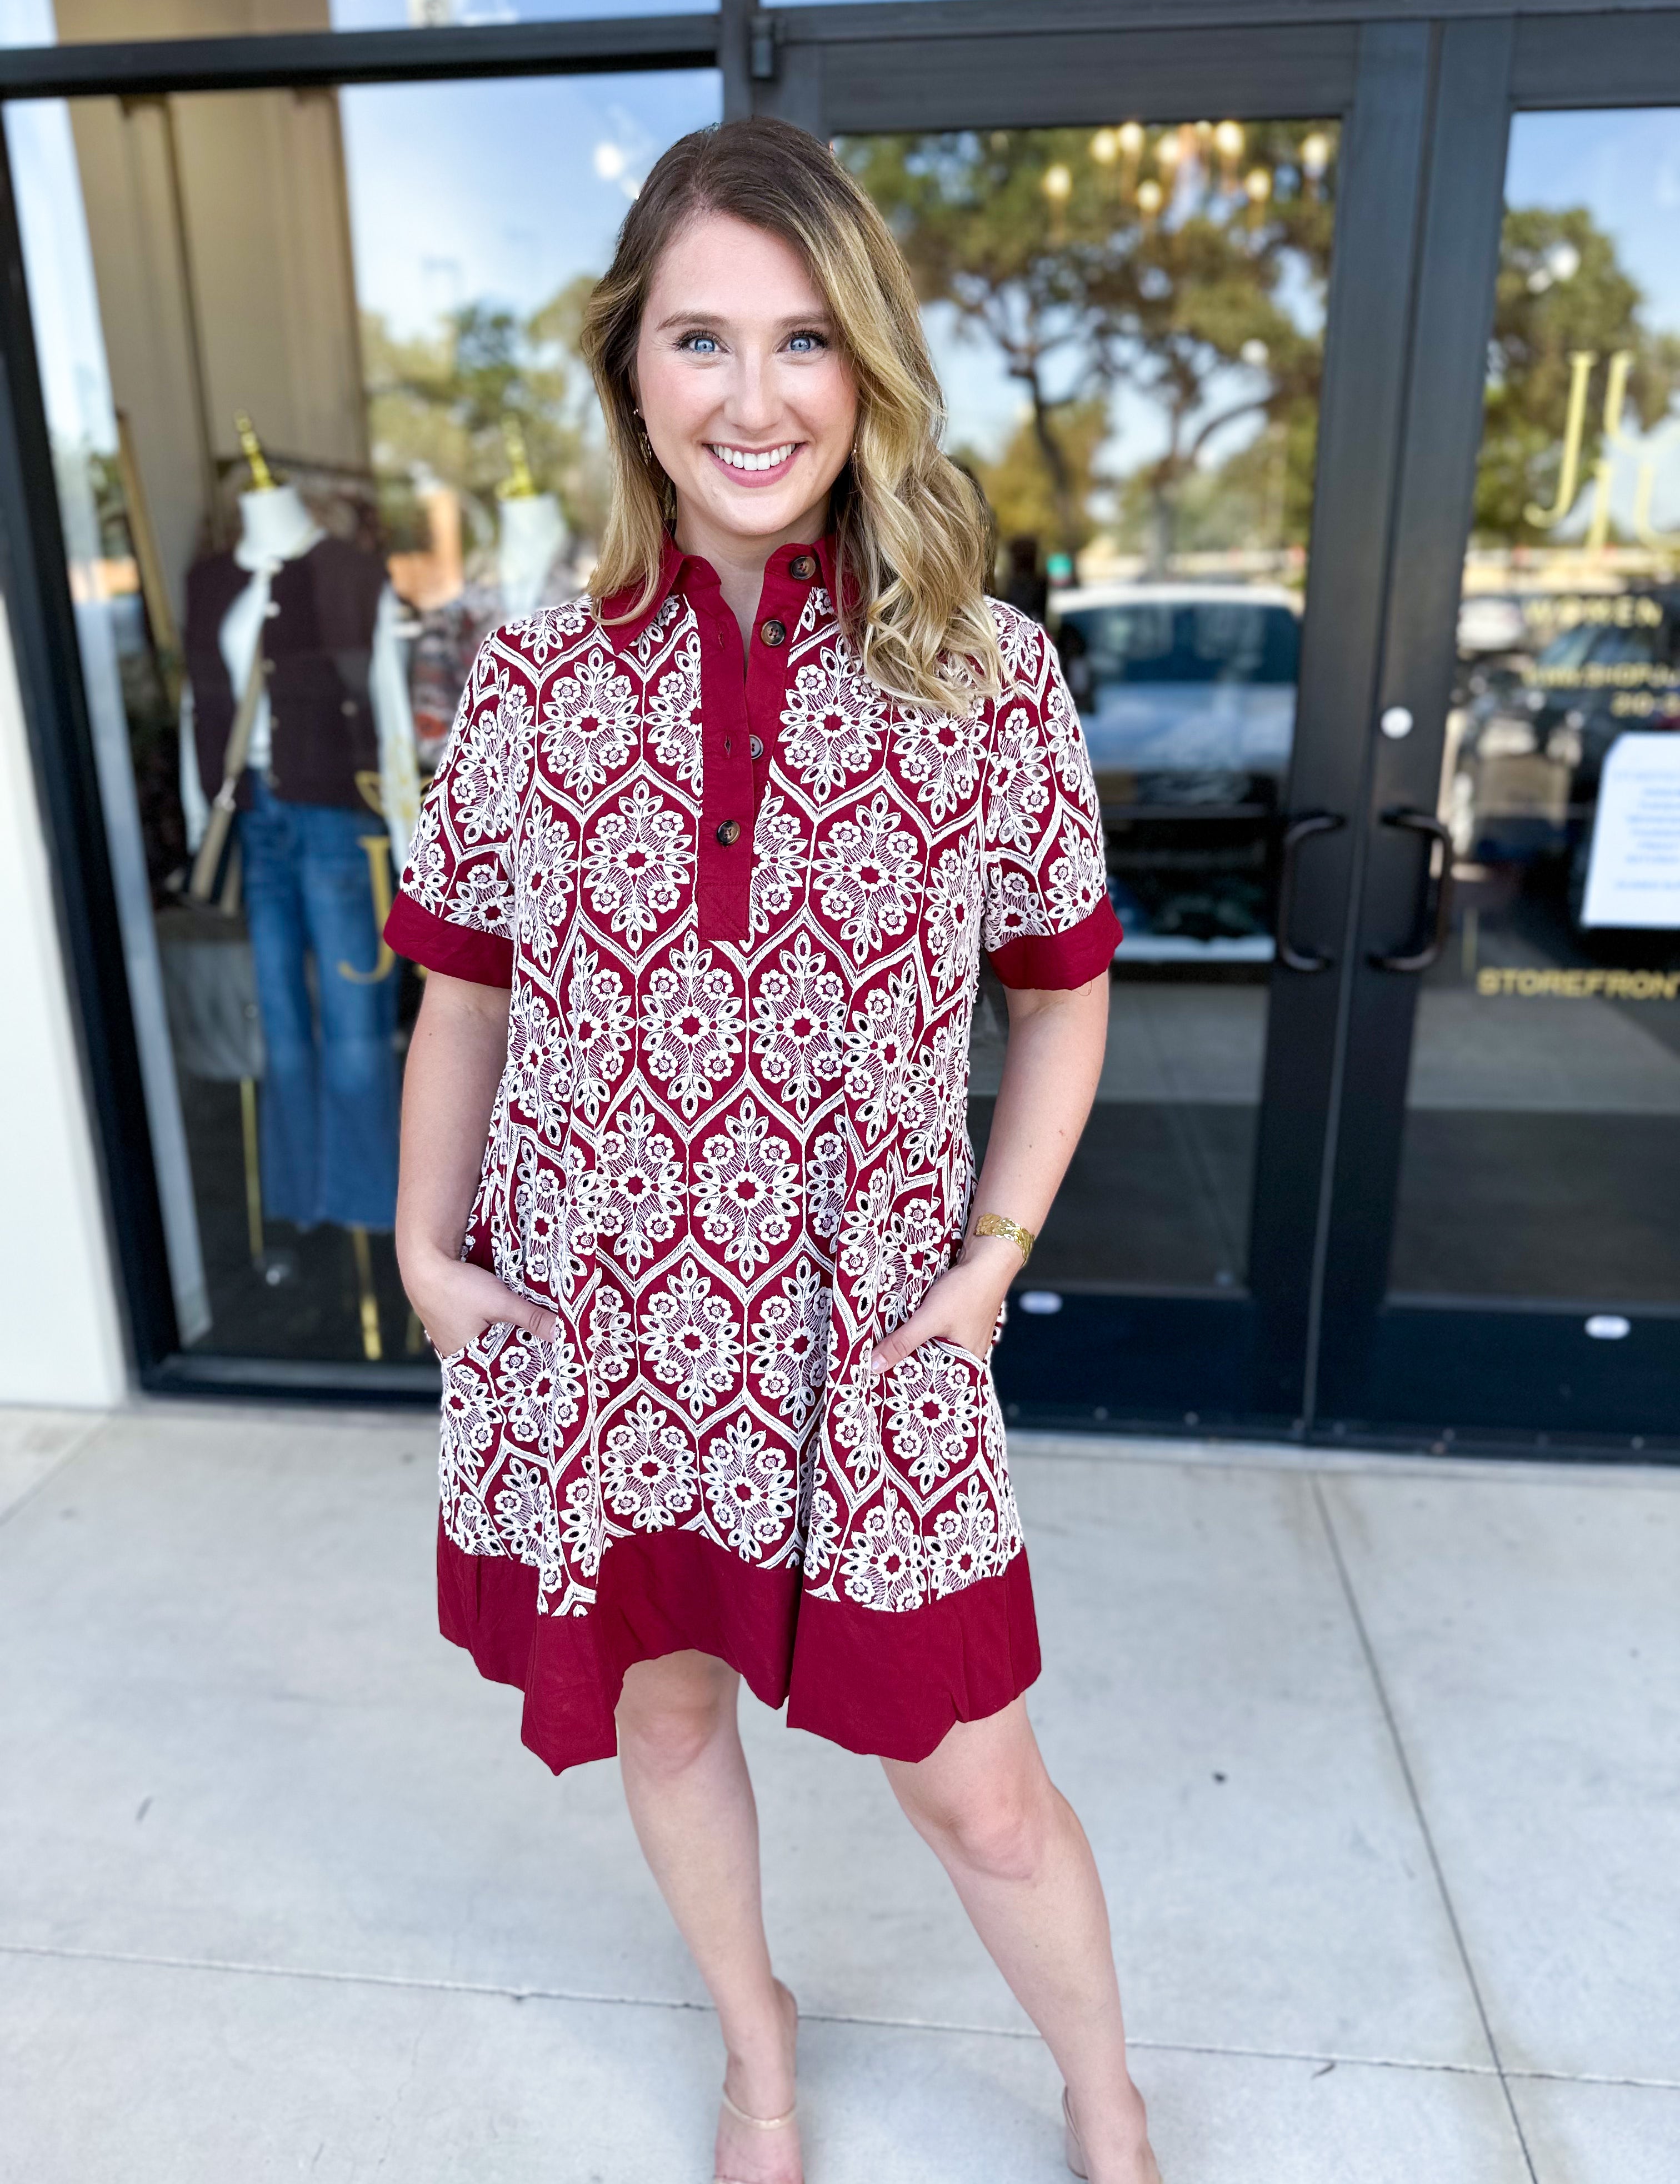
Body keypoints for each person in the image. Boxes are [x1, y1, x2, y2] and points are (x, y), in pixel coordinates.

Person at [388, 117, 1160, 2184]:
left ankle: (1105, 2096)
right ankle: (759, 2050)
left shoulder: (986, 677)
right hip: (610, 1331)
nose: (755, 398)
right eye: (702, 339)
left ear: (868, 368)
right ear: (630, 368)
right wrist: (427, 1251)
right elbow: (465, 995)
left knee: (977, 1786)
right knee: (662, 1712)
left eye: (805, 340)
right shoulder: (528, 681)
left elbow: (1063, 991)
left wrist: (994, 1256)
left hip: (872, 1330)